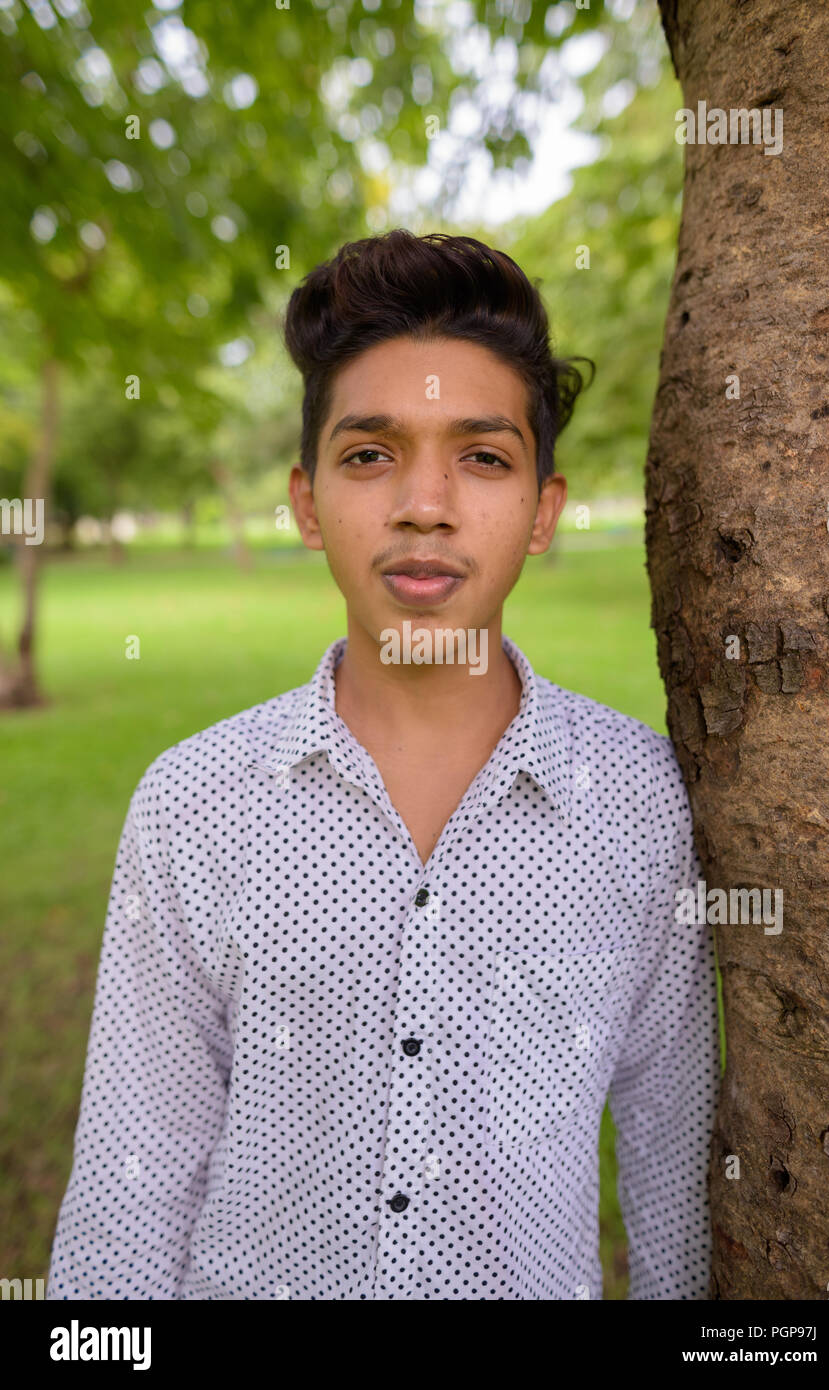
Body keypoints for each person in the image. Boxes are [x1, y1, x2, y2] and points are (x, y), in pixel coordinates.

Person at [47, 230, 720, 1301]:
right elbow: (134, 1185)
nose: (424, 503)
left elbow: (677, 1164)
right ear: (308, 501)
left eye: (482, 456)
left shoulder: (639, 800)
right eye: (370, 454)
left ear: (543, 510)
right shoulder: (193, 803)